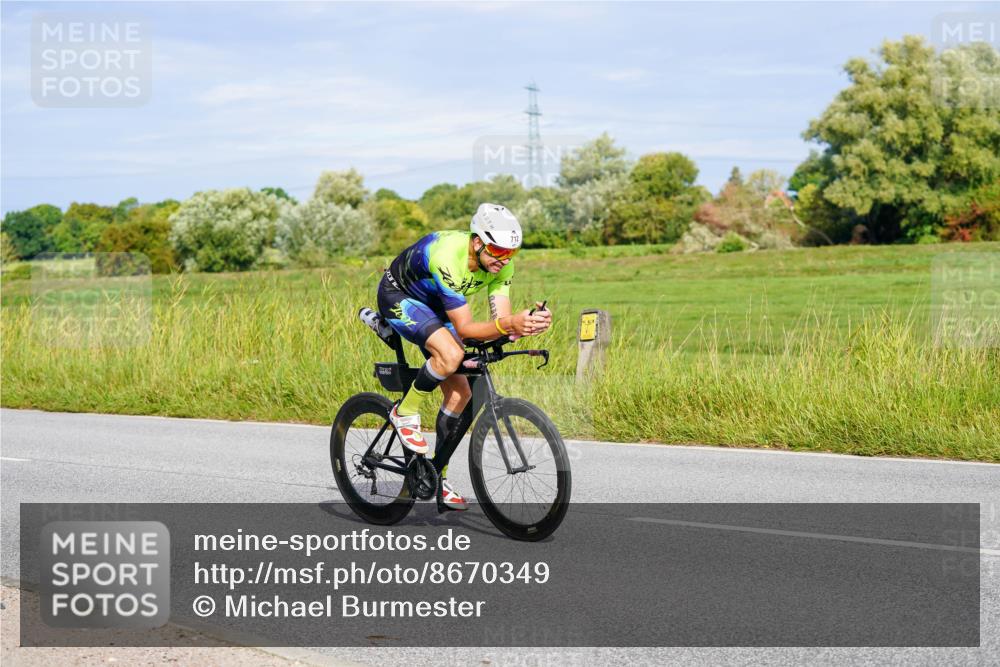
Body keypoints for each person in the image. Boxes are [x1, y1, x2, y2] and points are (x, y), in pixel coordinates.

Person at [376, 203, 552, 511]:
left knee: (460, 393)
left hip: (438, 306)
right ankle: (405, 411)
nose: (504, 259)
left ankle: (437, 477)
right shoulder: (447, 256)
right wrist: (508, 325)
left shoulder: (501, 265)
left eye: (512, 252)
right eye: (497, 250)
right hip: (400, 297)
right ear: (476, 241)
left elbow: (501, 322)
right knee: (452, 353)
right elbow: (468, 330)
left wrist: (524, 326)